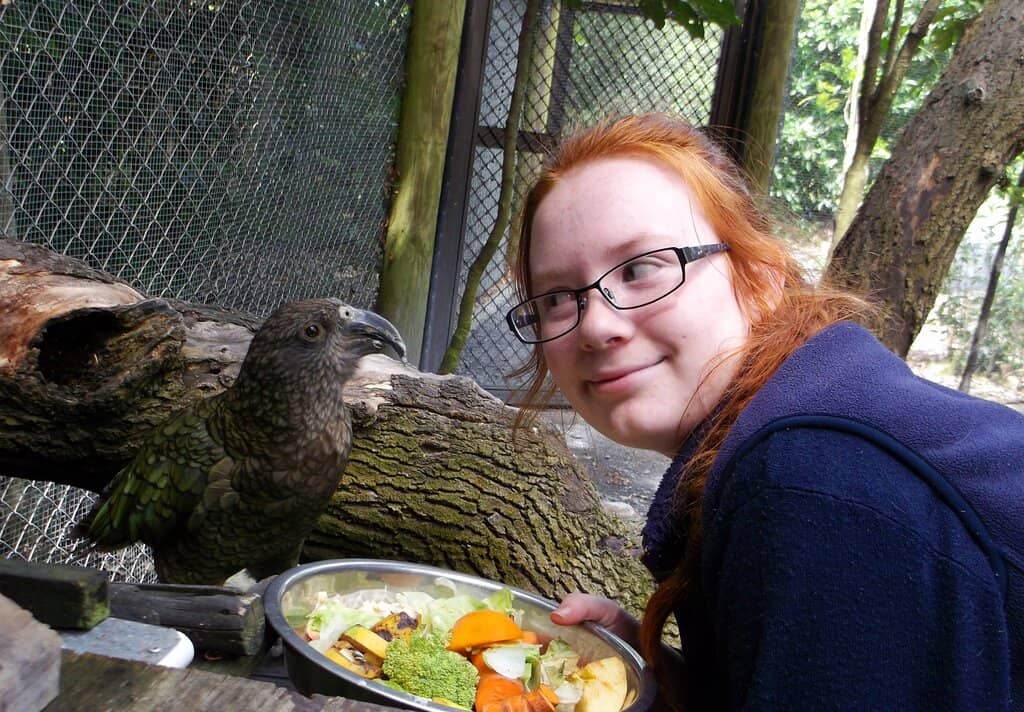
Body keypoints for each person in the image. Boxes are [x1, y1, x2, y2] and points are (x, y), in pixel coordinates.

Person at [504, 112, 1024, 710]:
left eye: (642, 268)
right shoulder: (808, 411)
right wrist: (681, 689)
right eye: (557, 298)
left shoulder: (812, 479)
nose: (596, 325)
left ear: (758, 279)